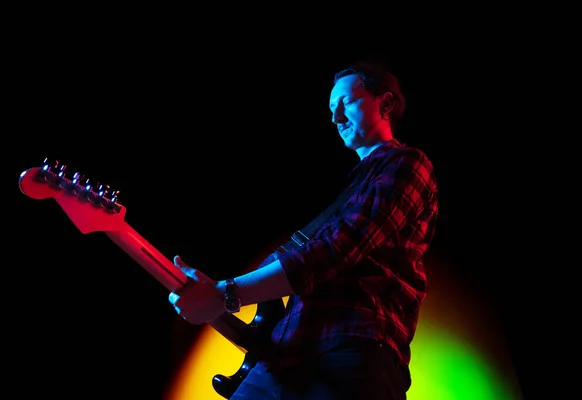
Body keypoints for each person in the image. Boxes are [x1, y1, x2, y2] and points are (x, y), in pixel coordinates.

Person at [168, 60, 439, 399]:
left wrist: (226, 294)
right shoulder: (347, 193)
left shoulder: (408, 163)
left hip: (354, 352)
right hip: (285, 356)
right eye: (331, 109)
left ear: (385, 104)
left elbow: (341, 247)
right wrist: (212, 298)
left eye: (347, 103)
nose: (335, 118)